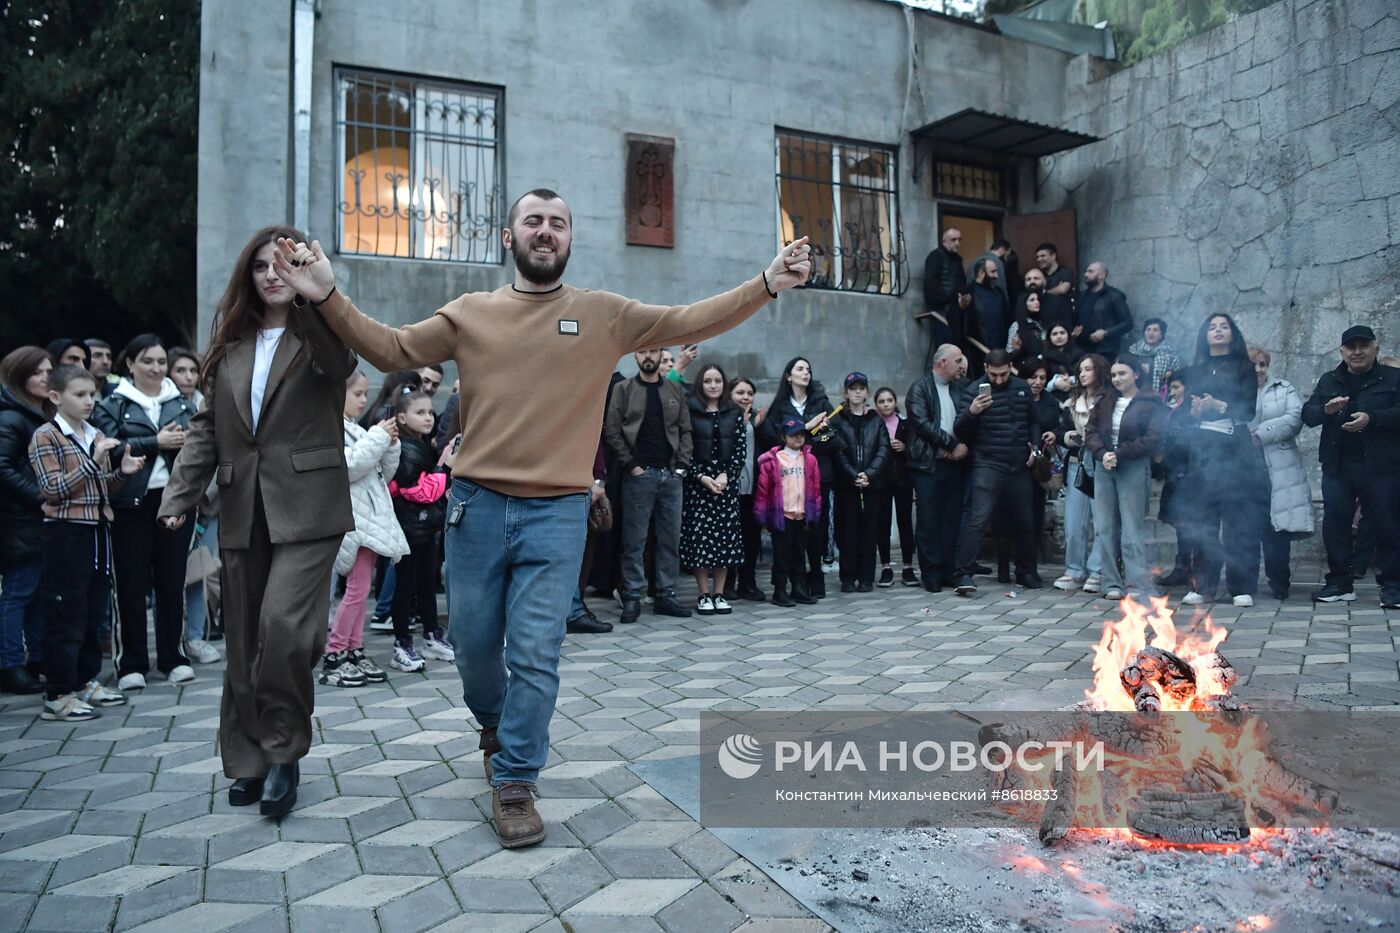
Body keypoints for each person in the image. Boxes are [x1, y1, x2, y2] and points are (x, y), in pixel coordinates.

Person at [275, 188, 811, 847]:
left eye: (559, 222)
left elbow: (687, 317)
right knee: (474, 647)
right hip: (475, 507)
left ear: (569, 239)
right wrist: (327, 292)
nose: (547, 231)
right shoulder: (471, 314)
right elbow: (390, 348)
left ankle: (516, 778)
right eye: (534, 220)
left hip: (557, 512)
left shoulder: (604, 316)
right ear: (510, 238)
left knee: (536, 650)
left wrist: (766, 282)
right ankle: (496, 723)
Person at [158, 224, 359, 819]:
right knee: (244, 639)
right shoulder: (229, 346)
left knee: (283, 629)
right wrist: (179, 496)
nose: (274, 274)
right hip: (243, 506)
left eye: (285, 264)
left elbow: (343, 362)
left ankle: (284, 752)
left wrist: (320, 293)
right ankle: (248, 759)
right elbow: (205, 432)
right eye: (262, 266)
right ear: (247, 276)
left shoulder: (320, 333)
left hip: (310, 507)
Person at [29, 365, 145, 720]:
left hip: (97, 528)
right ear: (55, 397)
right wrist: (94, 465)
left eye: (92, 394)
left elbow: (97, 489)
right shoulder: (46, 436)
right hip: (65, 532)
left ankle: (84, 681)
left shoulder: (91, 432)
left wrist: (119, 475)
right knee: (66, 610)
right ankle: (59, 693)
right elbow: (51, 490)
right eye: (79, 395)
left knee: (94, 611)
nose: (89, 402)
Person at [93, 334, 199, 691]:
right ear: (130, 365)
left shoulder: (182, 404)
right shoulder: (113, 404)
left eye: (160, 362)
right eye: (147, 362)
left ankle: (174, 657)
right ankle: (131, 663)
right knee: (130, 584)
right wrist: (155, 443)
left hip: (173, 502)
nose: (156, 369)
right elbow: (106, 449)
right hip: (129, 504)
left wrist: (186, 496)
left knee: (172, 580)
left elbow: (199, 451)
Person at [1301, 325, 1400, 608]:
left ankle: (1393, 586)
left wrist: (1372, 418)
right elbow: (1307, 414)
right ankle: (1340, 583)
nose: (1357, 351)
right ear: (1342, 351)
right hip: (1338, 466)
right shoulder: (1330, 380)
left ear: (1375, 349)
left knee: (1388, 525)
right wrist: (1326, 411)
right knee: (1336, 526)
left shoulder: (1394, 378)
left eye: (1363, 345)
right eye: (1351, 347)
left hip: (1382, 467)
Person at [324, 371, 406, 687]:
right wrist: (378, 437)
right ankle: (334, 654)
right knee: (357, 590)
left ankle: (354, 648)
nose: (363, 400)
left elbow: (383, 472)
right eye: (357, 394)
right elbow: (351, 467)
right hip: (353, 523)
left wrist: (391, 445)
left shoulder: (355, 428)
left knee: (362, 589)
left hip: (370, 521)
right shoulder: (329, 428)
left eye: (364, 394)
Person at [1179, 313, 1266, 608]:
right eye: (1212, 327)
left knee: (1238, 520)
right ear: (1205, 334)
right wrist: (1193, 411)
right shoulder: (1195, 369)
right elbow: (1183, 411)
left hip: (1233, 448)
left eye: (1223, 326)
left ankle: (1241, 586)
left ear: (1232, 334)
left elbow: (1248, 410)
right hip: (1202, 449)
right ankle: (1203, 586)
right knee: (1203, 522)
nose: (1217, 331)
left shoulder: (1244, 367)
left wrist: (1220, 405)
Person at [605, 348, 695, 623]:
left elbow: (685, 430)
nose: (648, 356)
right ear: (635, 357)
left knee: (670, 540)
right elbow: (611, 430)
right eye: (643, 351)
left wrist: (680, 467)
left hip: (671, 475)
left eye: (653, 351)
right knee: (634, 541)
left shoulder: (673, 390)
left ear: (659, 356)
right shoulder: (624, 389)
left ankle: (666, 594)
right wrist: (632, 465)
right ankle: (631, 596)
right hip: (638, 475)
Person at [951, 349, 1042, 595]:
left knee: (1025, 521)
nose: (999, 380)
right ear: (985, 368)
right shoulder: (973, 391)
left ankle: (1025, 572)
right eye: (993, 375)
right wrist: (972, 412)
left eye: (1003, 374)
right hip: (988, 464)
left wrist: (1036, 447)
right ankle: (964, 573)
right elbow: (959, 431)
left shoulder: (1022, 387)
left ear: (1010, 367)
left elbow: (1034, 421)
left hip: (1019, 464)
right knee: (978, 520)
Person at [756, 357, 838, 598]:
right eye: (800, 369)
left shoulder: (820, 401)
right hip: (788, 480)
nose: (806, 373)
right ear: (789, 376)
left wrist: (811, 435)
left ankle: (815, 578)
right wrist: (809, 426)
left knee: (815, 531)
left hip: (816, 473)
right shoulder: (780, 404)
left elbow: (834, 438)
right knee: (789, 537)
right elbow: (773, 437)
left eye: (808, 369)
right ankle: (790, 584)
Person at [1086, 359, 1167, 600]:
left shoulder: (1150, 402)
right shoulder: (1105, 400)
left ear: (1136, 374)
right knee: (1105, 527)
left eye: (1122, 373)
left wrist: (1119, 454)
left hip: (1132, 465)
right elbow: (1089, 431)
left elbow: (1153, 437)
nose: (1117, 379)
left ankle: (1135, 581)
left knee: (1132, 527)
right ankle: (1111, 582)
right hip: (1104, 466)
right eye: (1113, 374)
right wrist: (1102, 454)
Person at [386, 389, 454, 670]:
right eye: (420, 412)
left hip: (423, 526)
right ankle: (402, 644)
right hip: (408, 527)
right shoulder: (404, 446)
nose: (429, 417)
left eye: (430, 412)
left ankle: (431, 635)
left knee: (426, 582)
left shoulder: (420, 443)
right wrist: (444, 468)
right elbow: (419, 492)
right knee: (406, 586)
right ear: (401, 417)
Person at [0, 347, 53, 694]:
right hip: (20, 522)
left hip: (36, 522)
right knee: (19, 593)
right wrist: (42, 496)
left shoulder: (33, 414)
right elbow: (2, 468)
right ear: (20, 376)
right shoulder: (11, 417)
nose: (48, 377)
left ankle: (37, 659)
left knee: (35, 594)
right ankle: (9, 664)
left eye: (50, 370)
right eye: (39, 372)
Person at [167, 347, 223, 665]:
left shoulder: (206, 403)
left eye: (192, 370)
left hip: (208, 505)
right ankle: (172, 641)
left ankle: (196, 636)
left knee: (200, 570)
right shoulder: (162, 410)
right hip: (173, 502)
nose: (187, 377)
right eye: (180, 370)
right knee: (172, 574)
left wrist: (205, 501)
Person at [1248, 346, 1313, 601]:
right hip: (1245, 464)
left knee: (1277, 529)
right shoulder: (1232, 391)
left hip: (1279, 465)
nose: (1258, 370)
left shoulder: (1283, 388)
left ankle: (1280, 583)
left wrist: (1259, 434)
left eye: (1262, 364)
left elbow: (1295, 418)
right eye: (1253, 365)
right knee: (1248, 527)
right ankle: (1246, 583)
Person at [681, 363, 746, 614]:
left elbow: (740, 447)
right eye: (708, 381)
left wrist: (726, 475)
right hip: (699, 487)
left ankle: (719, 593)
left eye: (717, 380)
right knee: (700, 541)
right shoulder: (691, 410)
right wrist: (700, 476)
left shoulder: (733, 411)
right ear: (700, 383)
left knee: (725, 540)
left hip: (725, 486)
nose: (713, 385)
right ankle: (703, 593)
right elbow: (684, 448)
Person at [905, 344, 969, 592]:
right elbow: (922, 424)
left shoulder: (960, 388)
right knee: (928, 521)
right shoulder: (919, 388)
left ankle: (948, 570)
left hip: (954, 464)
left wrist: (961, 447)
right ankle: (930, 573)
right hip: (927, 465)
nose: (962, 365)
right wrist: (952, 444)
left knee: (951, 520)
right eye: (958, 360)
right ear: (942, 362)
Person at [1053, 354, 1110, 593]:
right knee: (1073, 523)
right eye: (1081, 369)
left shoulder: (1109, 400)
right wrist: (1067, 437)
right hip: (1076, 462)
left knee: (1102, 522)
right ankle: (1074, 570)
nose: (1084, 374)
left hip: (1100, 463)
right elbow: (1061, 430)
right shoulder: (1072, 402)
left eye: (1089, 369)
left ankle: (1098, 570)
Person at [830, 372, 890, 593]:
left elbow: (883, 450)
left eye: (861, 388)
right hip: (847, 485)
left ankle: (866, 577)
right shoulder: (837, 419)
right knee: (848, 532)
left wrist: (870, 474)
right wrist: (852, 474)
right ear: (846, 392)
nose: (857, 391)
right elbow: (837, 451)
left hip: (872, 485)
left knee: (869, 531)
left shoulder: (876, 420)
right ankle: (847, 577)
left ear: (867, 392)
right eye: (852, 388)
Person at [753, 418, 821, 607]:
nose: (798, 438)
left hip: (802, 514)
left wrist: (814, 511)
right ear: (783, 437)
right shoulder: (773, 461)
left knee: (799, 553)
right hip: (781, 515)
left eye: (801, 434)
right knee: (782, 555)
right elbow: (763, 490)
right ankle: (779, 589)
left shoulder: (810, 459)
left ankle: (798, 587)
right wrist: (761, 514)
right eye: (793, 435)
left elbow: (815, 488)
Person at [724, 377, 766, 602]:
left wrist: (758, 424)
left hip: (753, 487)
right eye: (740, 392)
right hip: (730, 487)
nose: (745, 397)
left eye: (749, 393)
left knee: (751, 537)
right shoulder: (724, 418)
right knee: (731, 537)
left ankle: (747, 582)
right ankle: (728, 583)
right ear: (730, 395)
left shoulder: (757, 420)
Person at [1155, 374, 1197, 589]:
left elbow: (1185, 442)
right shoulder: (1175, 410)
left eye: (1176, 387)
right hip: (1174, 473)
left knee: (1187, 523)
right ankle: (1183, 566)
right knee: (1180, 525)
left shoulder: (1189, 411)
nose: (1171, 392)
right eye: (1170, 388)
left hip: (1185, 475)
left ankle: (1187, 568)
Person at [873, 387, 917, 587]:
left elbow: (916, 449)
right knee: (882, 523)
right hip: (881, 481)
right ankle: (885, 566)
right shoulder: (874, 425)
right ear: (876, 405)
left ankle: (908, 566)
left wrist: (905, 448)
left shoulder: (906, 424)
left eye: (889, 400)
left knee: (905, 522)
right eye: (881, 401)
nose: (886, 404)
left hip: (903, 479)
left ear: (895, 402)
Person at [923, 228, 970, 355]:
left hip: (956, 311)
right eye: (953, 240)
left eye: (959, 240)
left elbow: (961, 282)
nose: (957, 243)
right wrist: (945, 300)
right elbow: (931, 284)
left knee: (956, 347)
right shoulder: (936, 256)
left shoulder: (957, 260)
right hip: (941, 310)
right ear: (944, 241)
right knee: (945, 348)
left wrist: (963, 299)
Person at [1076, 262, 1133, 357]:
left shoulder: (1114, 296)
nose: (1086, 275)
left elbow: (1128, 323)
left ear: (1102, 275)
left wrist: (1106, 333)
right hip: (1082, 349)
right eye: (1086, 271)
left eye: (1090, 272)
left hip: (1105, 350)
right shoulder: (1082, 295)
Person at [968, 258, 1009, 374]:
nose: (996, 276)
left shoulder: (999, 292)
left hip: (999, 349)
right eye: (992, 272)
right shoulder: (969, 292)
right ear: (981, 272)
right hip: (978, 351)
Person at [1128, 319, 1184, 395]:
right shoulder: (1134, 351)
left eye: (1155, 330)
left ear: (1161, 335)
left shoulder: (1170, 354)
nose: (1151, 333)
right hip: (1136, 396)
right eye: (1148, 330)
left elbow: (1177, 377)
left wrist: (1171, 374)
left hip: (1160, 398)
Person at [1034, 243, 1076, 333]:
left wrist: (1044, 292)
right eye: (1037, 257)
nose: (1039, 259)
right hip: (1045, 324)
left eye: (1042, 256)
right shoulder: (1039, 277)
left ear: (1053, 255)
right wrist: (1056, 289)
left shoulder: (1065, 272)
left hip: (1065, 323)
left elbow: (1063, 289)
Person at [1007, 290, 1047, 373]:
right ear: (1024, 304)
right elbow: (1009, 352)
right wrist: (1017, 350)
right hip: (1025, 368)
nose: (1037, 302)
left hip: (1042, 366)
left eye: (1037, 299)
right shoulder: (1016, 326)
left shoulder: (1039, 324)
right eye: (1032, 300)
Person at [966, 238, 1010, 303]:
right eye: (1007, 253)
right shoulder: (997, 263)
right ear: (1002, 250)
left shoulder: (974, 261)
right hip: (990, 302)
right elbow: (1001, 286)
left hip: (973, 301)